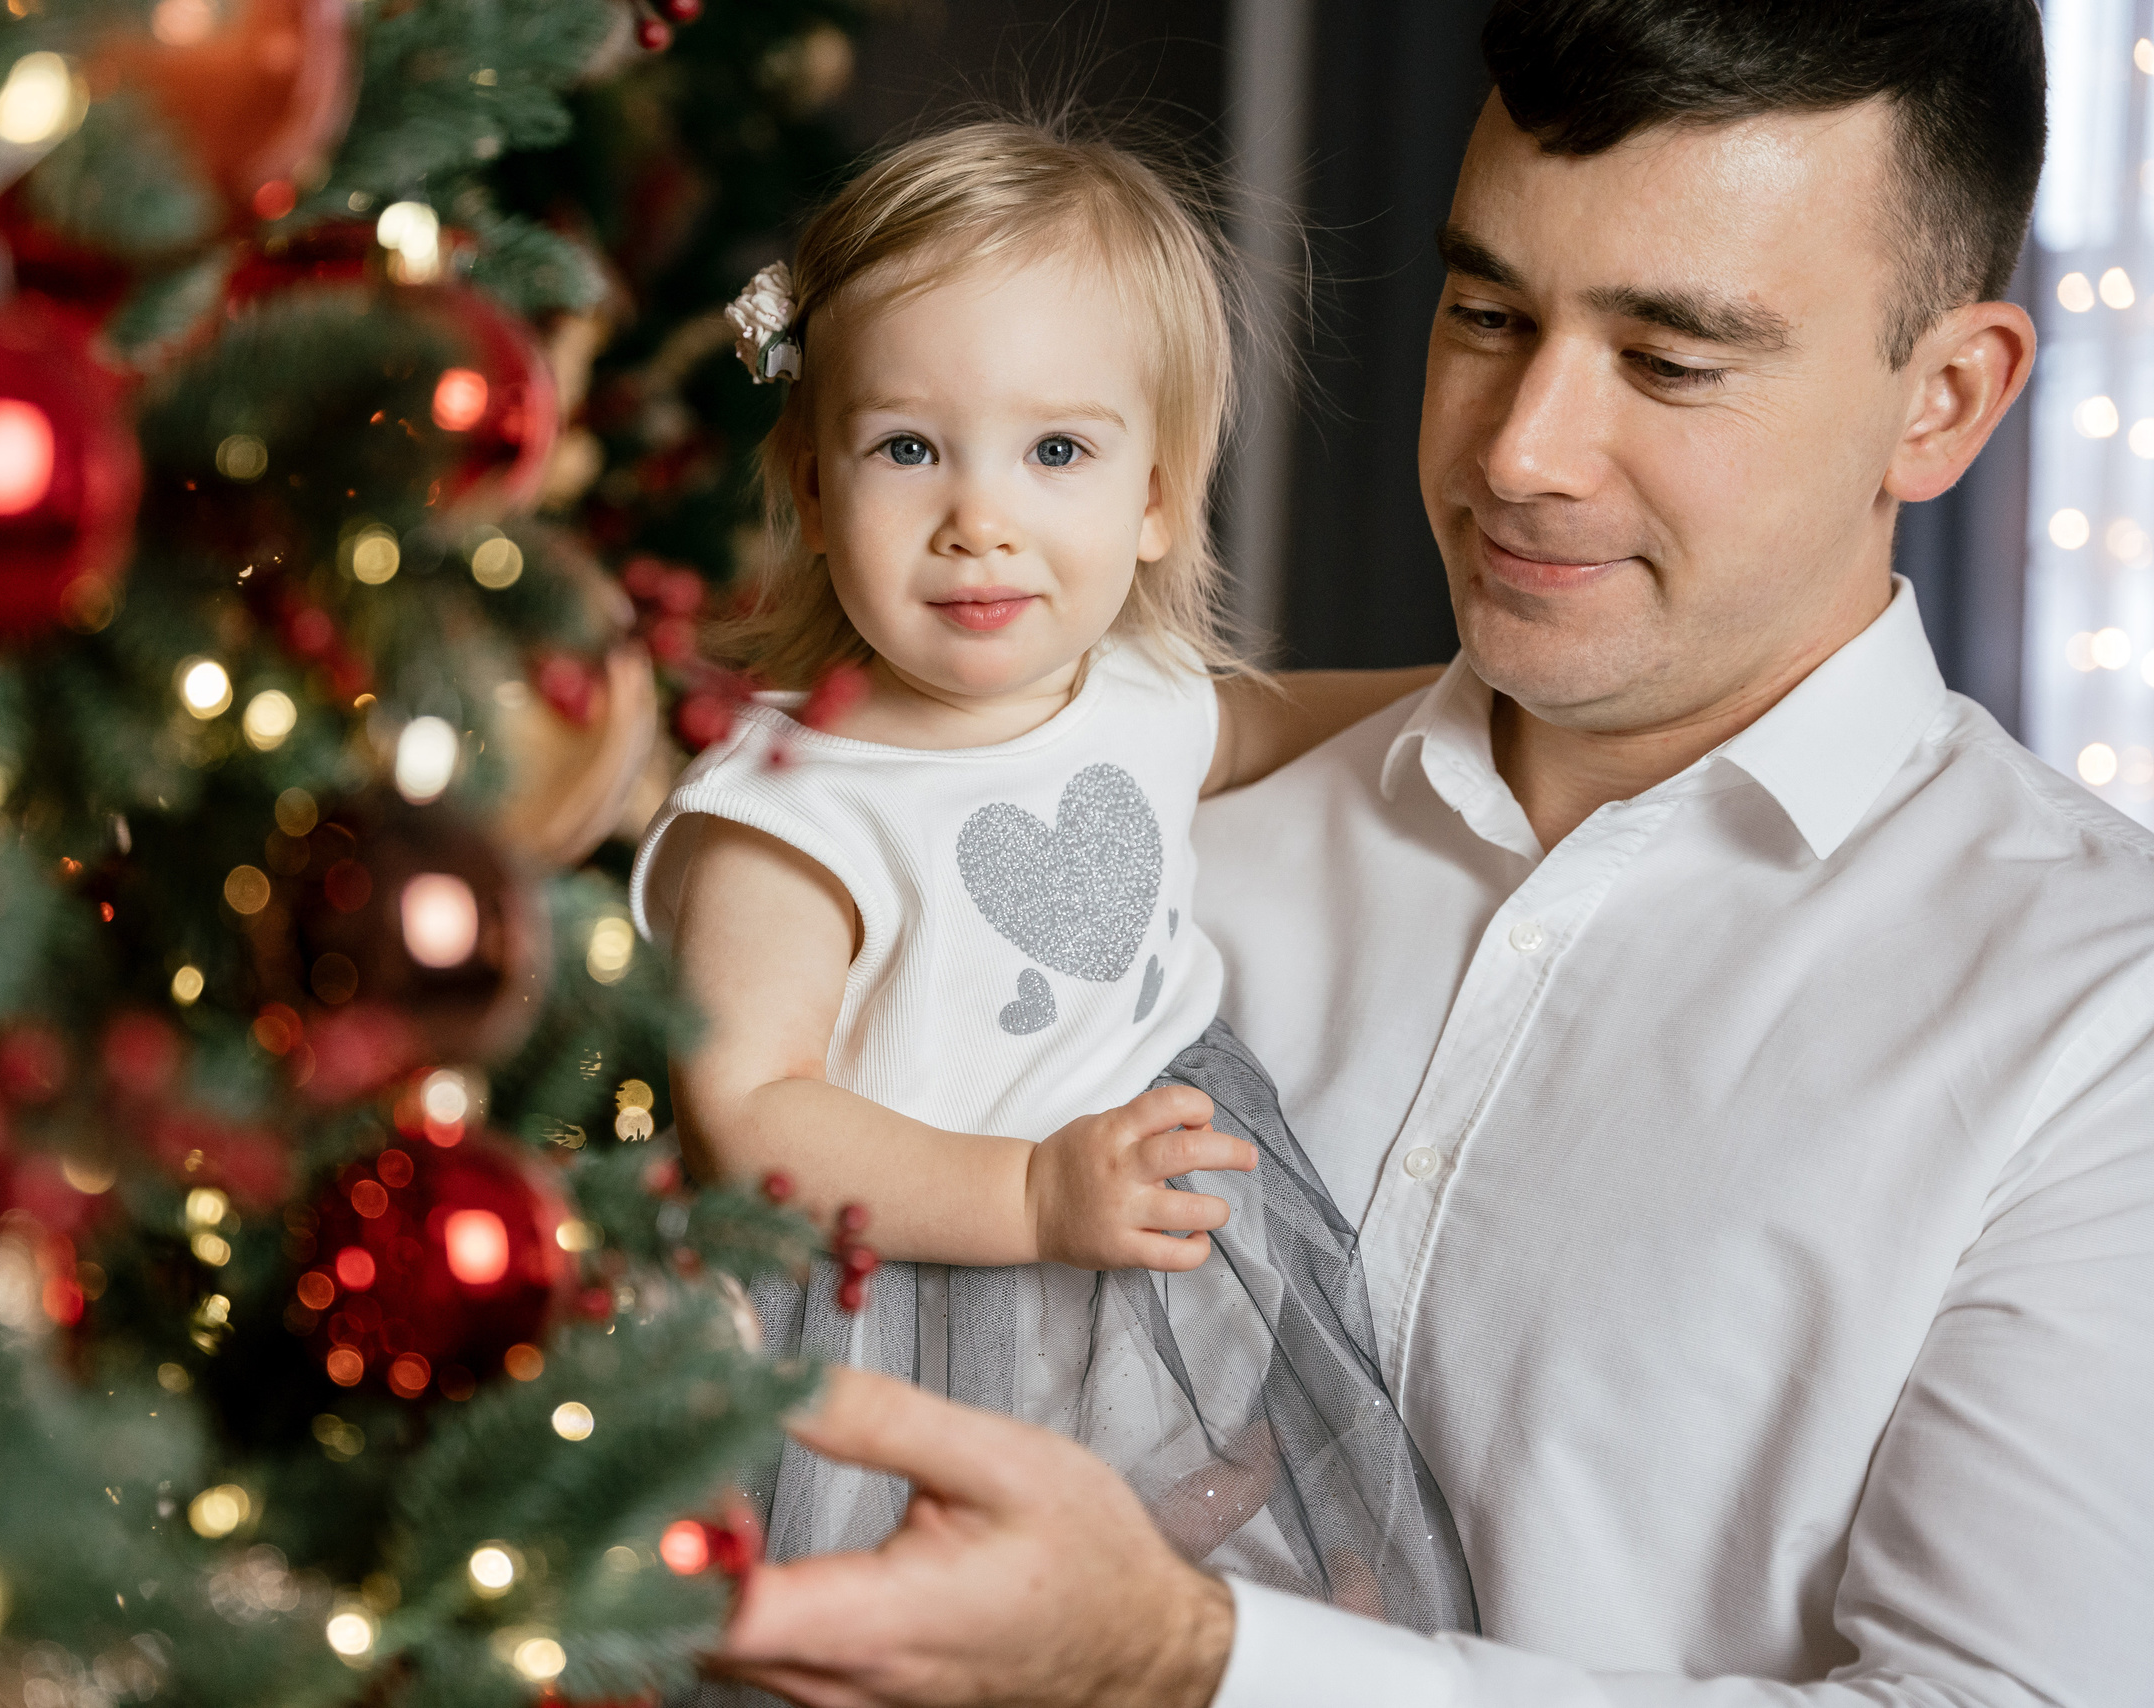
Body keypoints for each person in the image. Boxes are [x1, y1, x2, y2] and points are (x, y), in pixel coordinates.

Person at [705, 1, 2154, 1703]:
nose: (1520, 452)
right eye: (1487, 314)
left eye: (1671, 361)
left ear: (1947, 401)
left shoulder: (2098, 1024)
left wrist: (1184, 1661)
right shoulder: (1118, 823)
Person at [628, 120, 1468, 1633]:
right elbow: (746, 1113)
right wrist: (1022, 1193)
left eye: (1057, 452)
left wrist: (1467, 694)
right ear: (812, 488)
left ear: (1157, 498)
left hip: (1141, 1255)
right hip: (906, 1287)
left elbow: (1253, 722)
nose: (981, 519)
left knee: (1178, 1589)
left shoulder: (1138, 692)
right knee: (929, 1624)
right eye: (907, 449)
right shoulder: (795, 808)